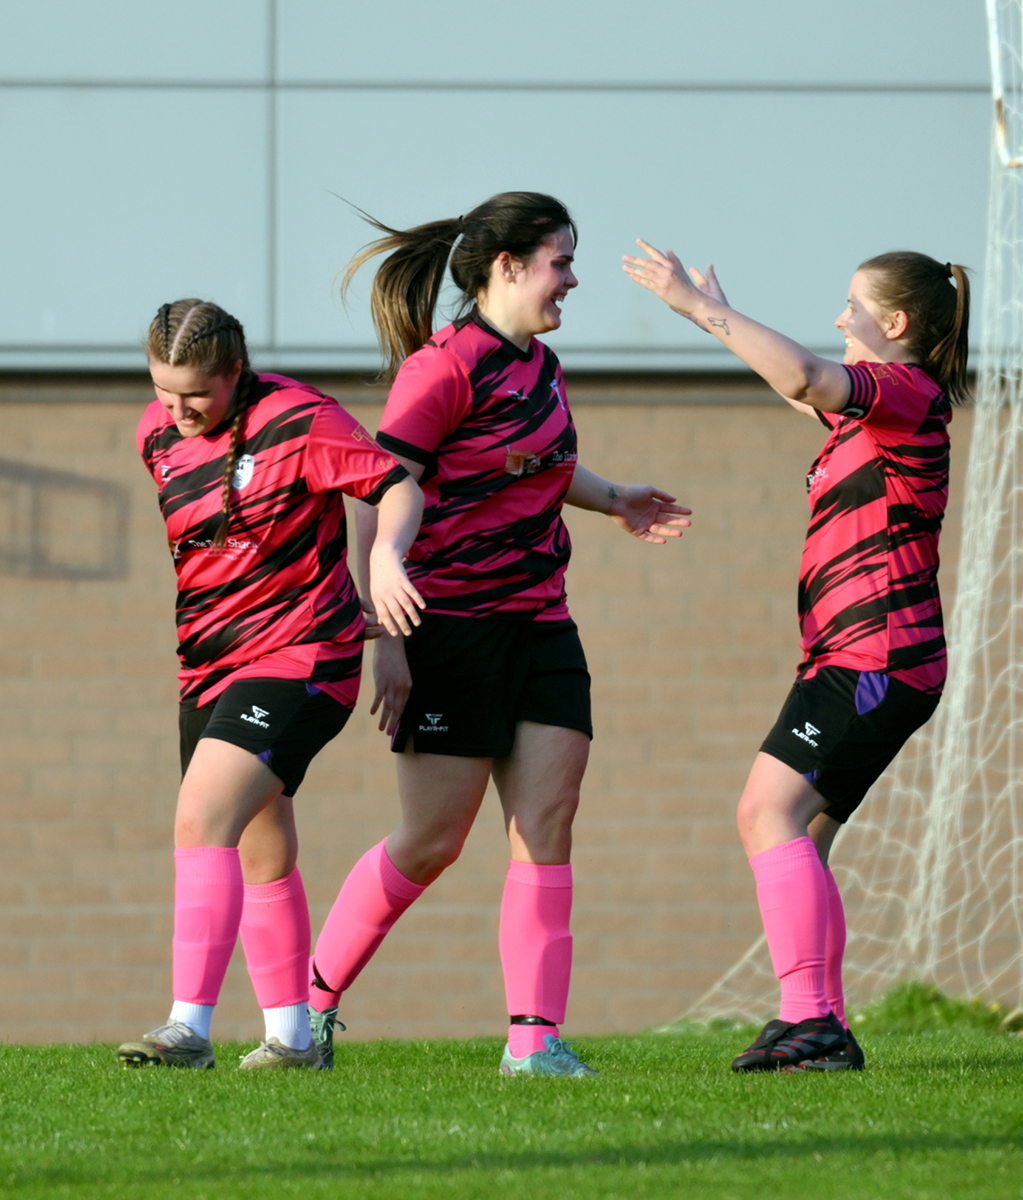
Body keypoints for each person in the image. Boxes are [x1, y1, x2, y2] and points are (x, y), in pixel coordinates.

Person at [306, 192, 692, 1076]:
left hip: (542, 625)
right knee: (431, 843)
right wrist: (384, 629)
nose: (572, 279)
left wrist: (612, 498)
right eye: (561, 261)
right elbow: (375, 492)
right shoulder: (441, 370)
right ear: (508, 267)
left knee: (547, 823)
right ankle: (309, 1007)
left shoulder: (543, 366)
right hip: (448, 631)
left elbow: (540, 462)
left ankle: (533, 1041)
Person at [624, 243, 970, 1071]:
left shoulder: (903, 390)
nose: (838, 318)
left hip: (874, 657)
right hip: (859, 659)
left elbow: (809, 377)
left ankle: (811, 1018)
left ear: (895, 323)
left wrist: (698, 306)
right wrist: (714, 320)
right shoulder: (871, 411)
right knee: (801, 838)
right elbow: (800, 388)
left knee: (763, 812)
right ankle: (819, 1025)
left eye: (853, 306)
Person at [116, 299, 424, 1070]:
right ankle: (292, 1039)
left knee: (201, 818)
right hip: (207, 665)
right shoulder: (155, 432)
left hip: (304, 657)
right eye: (163, 390)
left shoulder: (300, 419)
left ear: (235, 371)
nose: (178, 410)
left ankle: (188, 1028)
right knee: (259, 844)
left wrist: (384, 561)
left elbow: (397, 488)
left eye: (197, 394)